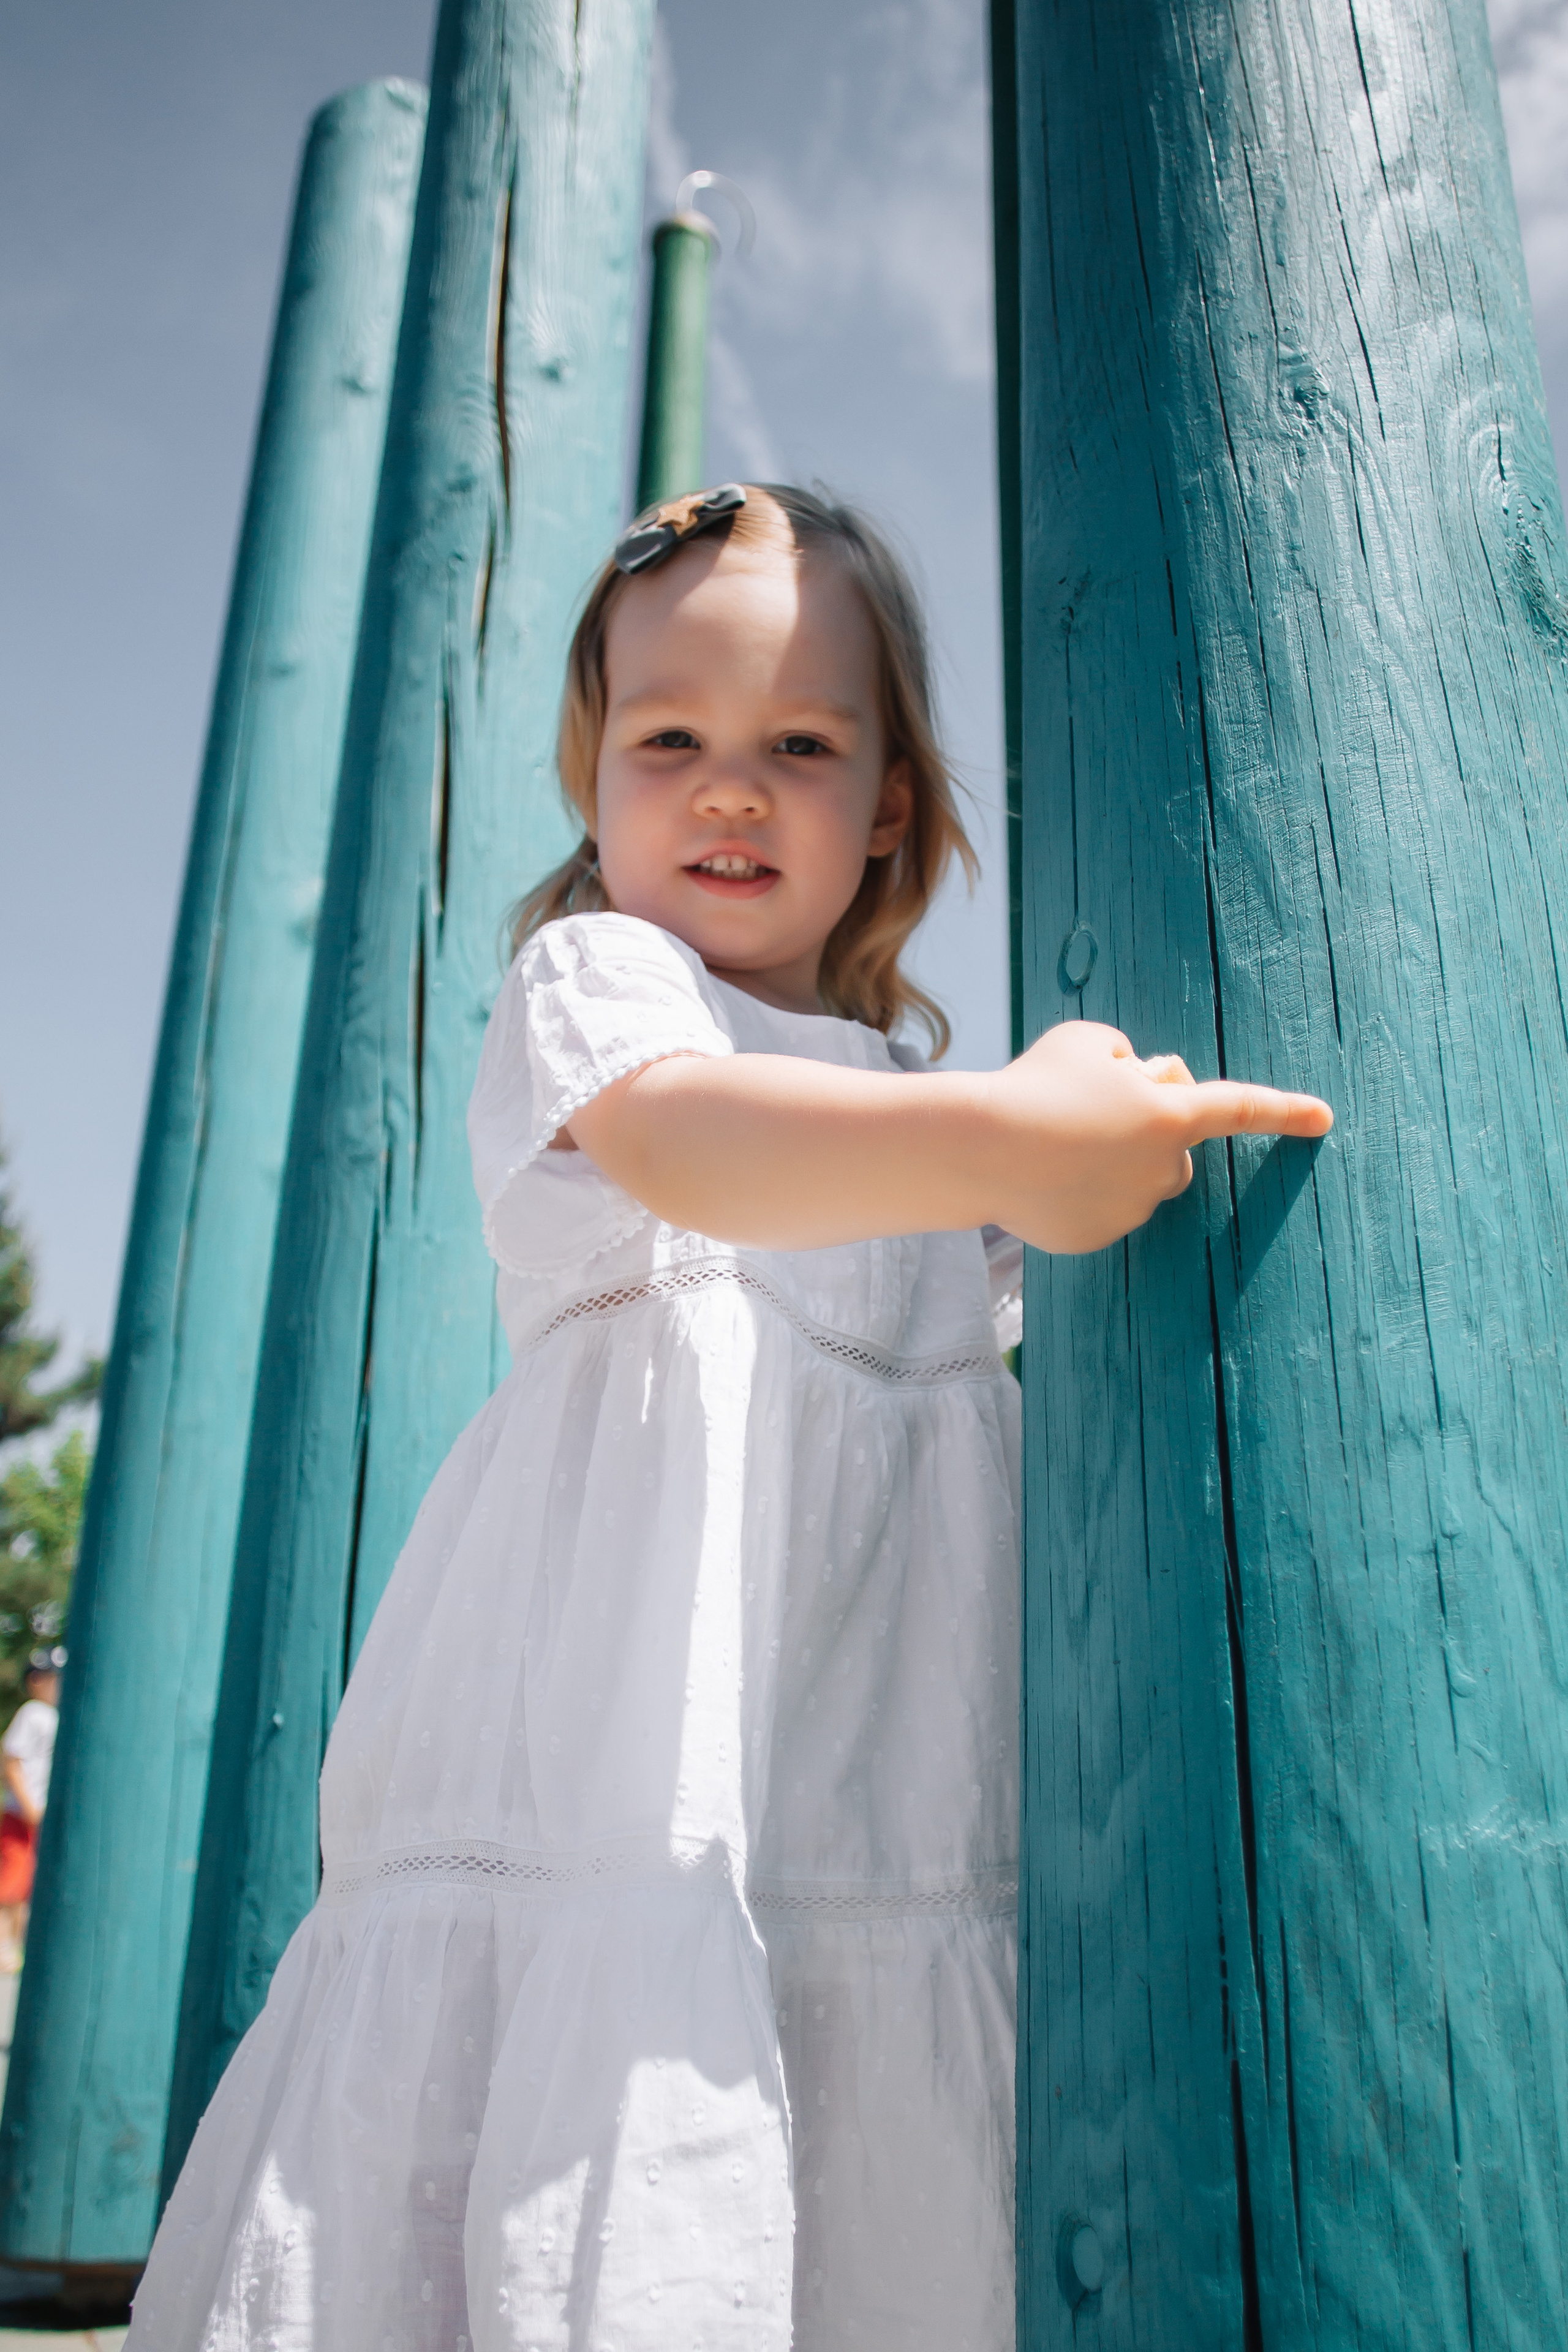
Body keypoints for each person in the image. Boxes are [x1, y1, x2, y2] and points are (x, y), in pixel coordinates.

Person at [130, 484, 1330, 2350]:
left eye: (798, 742)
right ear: (594, 781)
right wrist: (1013, 1132)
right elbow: (695, 1145)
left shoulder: (917, 1109)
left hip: (875, 1787)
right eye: (668, 738)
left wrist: (1060, 1139)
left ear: (891, 810)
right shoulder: (601, 989)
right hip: (617, 1772)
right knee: (602, 2100)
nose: (728, 786)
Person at [0, 1646, 64, 1973]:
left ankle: (20, 1946)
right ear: (35, 1681)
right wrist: (29, 1807)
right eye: (51, 1679)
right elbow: (12, 1762)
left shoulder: (57, 1716)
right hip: (25, 1813)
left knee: (29, 1885)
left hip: (40, 1813)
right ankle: (6, 1946)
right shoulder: (33, 1713)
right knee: (12, 1882)